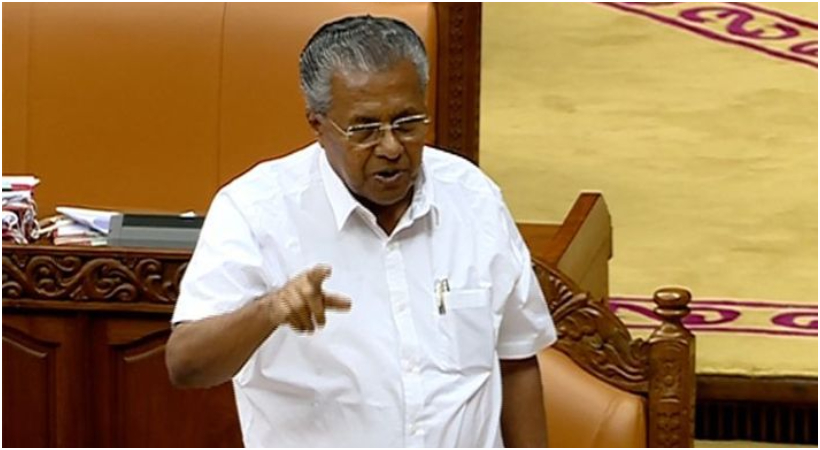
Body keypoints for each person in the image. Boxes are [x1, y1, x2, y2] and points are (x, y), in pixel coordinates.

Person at [165, 15, 556, 448]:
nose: (391, 147)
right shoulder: (255, 212)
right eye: (365, 129)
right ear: (317, 124)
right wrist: (269, 311)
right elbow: (186, 363)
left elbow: (516, 359)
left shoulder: (473, 198)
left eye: (407, 123)